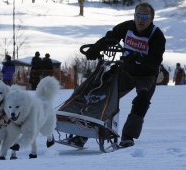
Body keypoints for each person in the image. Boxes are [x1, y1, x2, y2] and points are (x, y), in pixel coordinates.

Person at [68, 2, 166, 148]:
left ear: (151, 19)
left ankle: (128, 137)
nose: (141, 19)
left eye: (145, 16)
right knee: (103, 96)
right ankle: (83, 135)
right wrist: (96, 48)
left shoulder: (157, 36)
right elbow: (110, 38)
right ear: (134, 16)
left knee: (142, 101)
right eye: (138, 15)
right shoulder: (127, 26)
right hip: (125, 72)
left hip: (146, 76)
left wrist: (137, 58)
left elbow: (155, 60)